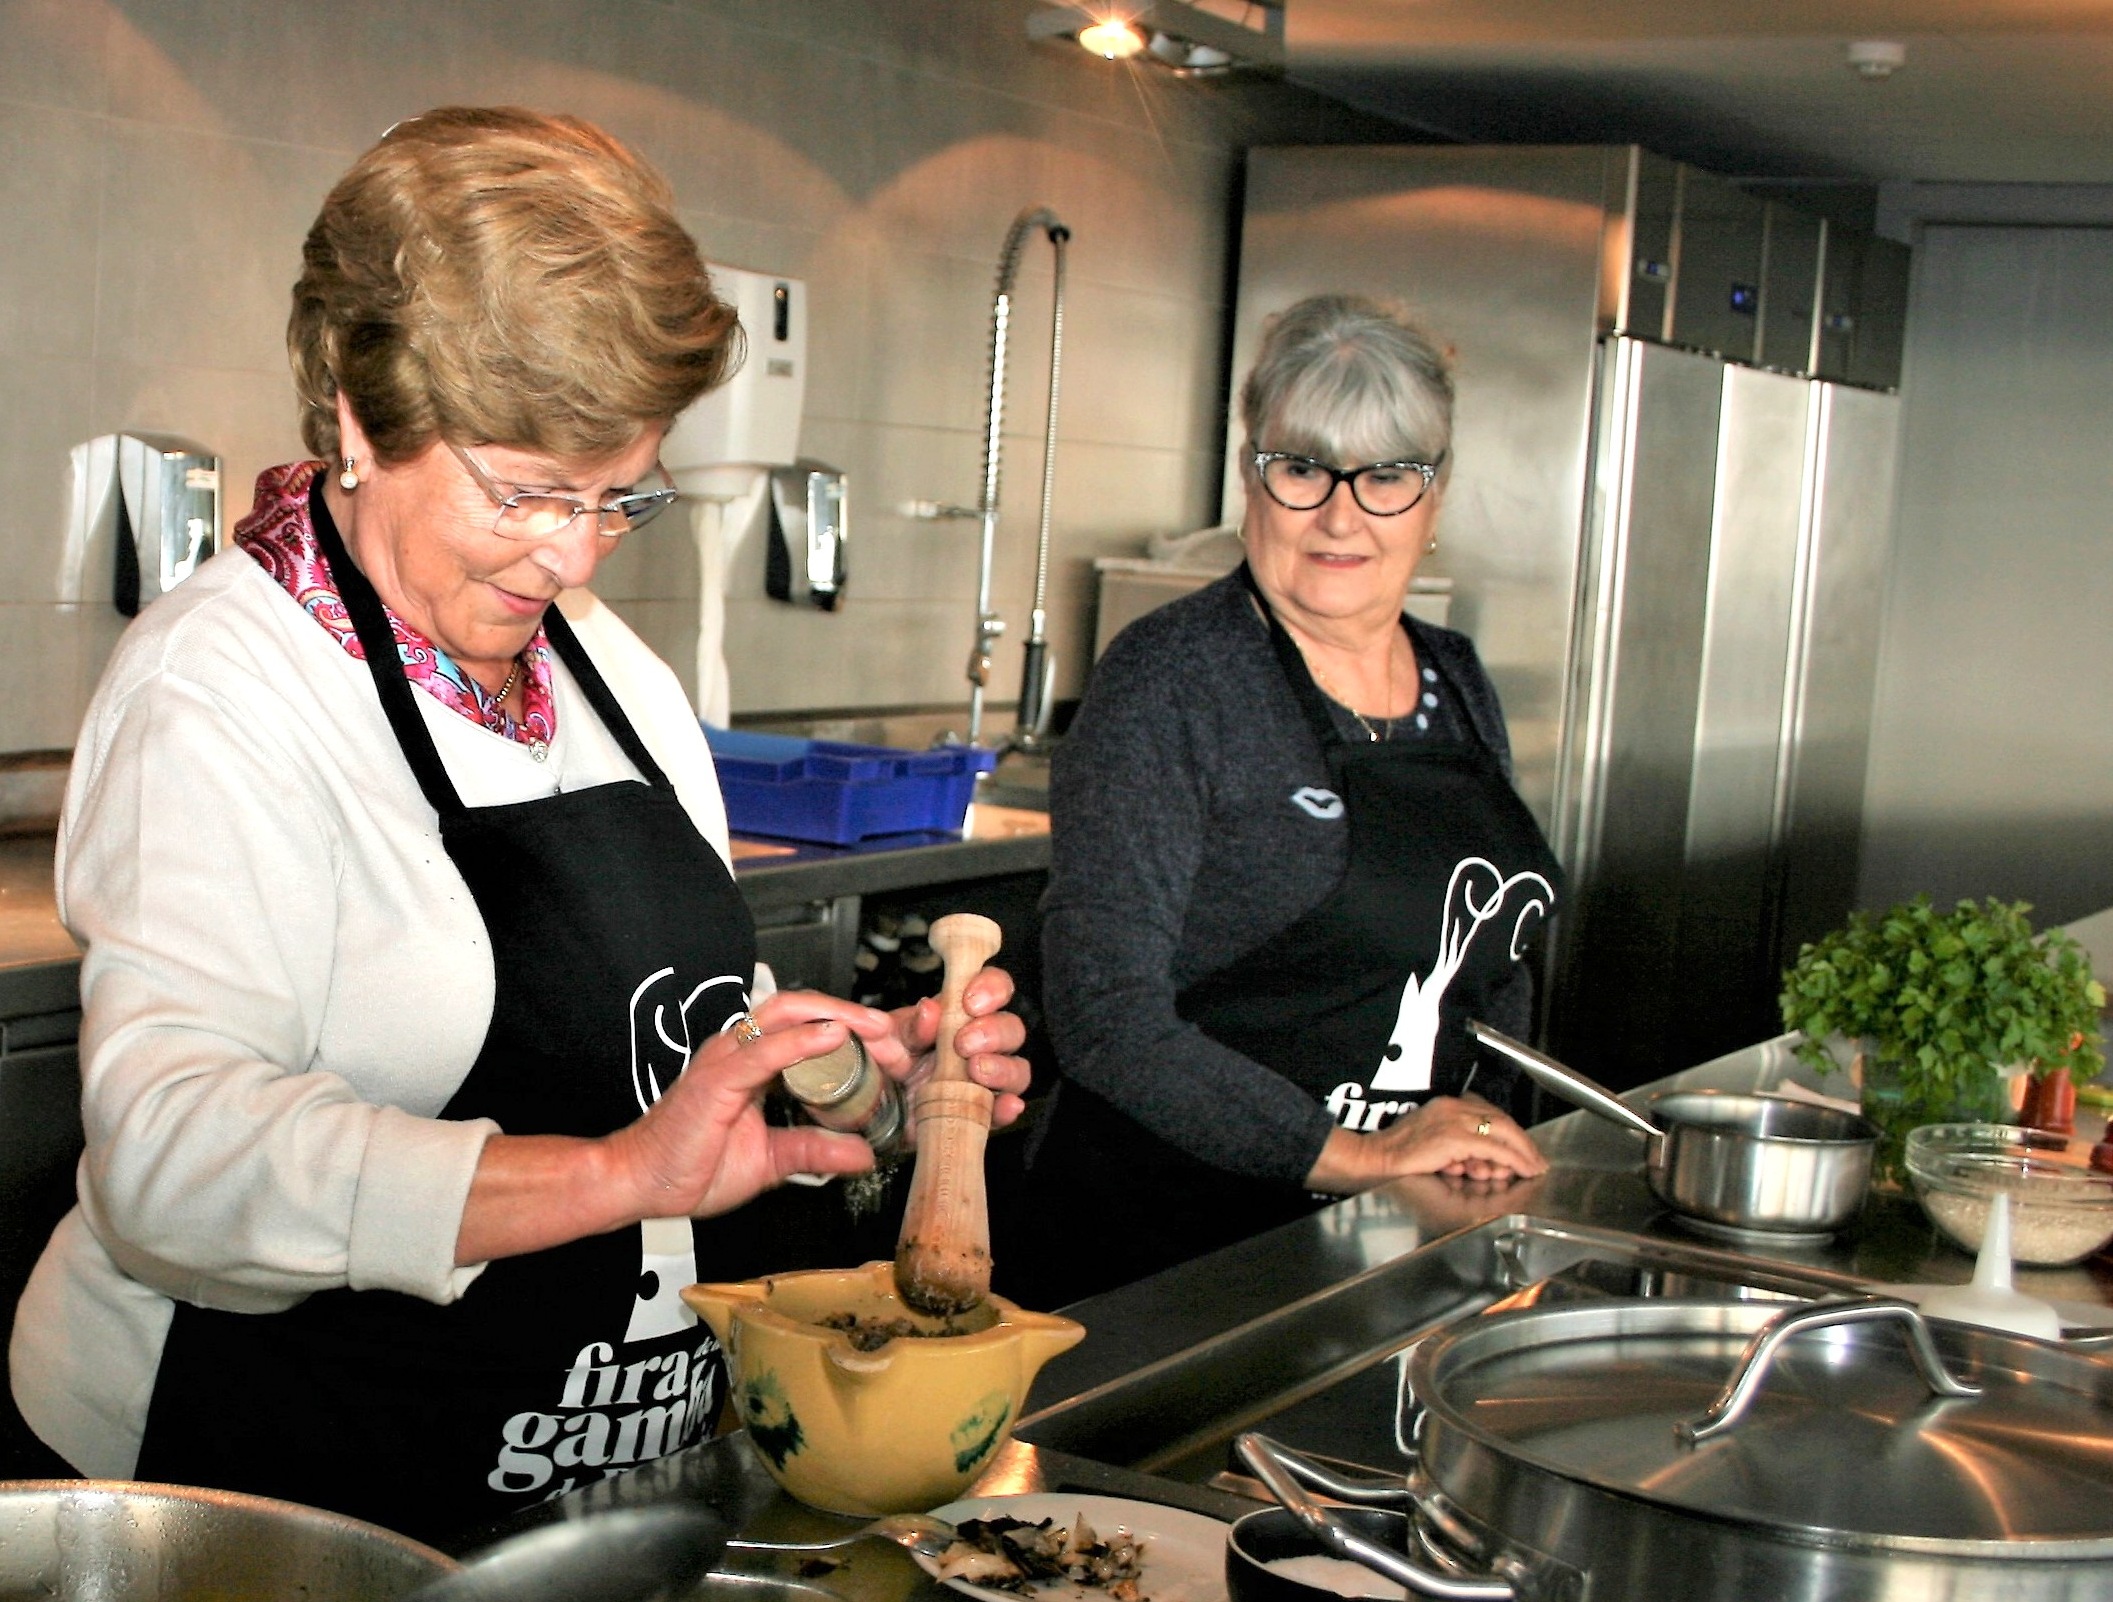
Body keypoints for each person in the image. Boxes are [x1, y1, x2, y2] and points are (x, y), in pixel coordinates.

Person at [9, 107, 1028, 1542]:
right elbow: (174, 1164)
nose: (572, 550)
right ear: (360, 418)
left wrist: (851, 1082)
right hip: (279, 1501)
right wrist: (613, 1176)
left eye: (621, 496)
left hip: (583, 1497)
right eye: (527, 488)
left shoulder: (607, 668)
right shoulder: (222, 688)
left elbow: (671, 1039)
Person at [1017, 295, 1556, 1306]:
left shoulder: (1457, 680)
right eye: (1303, 469)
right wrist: (1356, 1153)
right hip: (1161, 1257)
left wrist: (1476, 1127)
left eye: (1387, 475)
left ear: (1434, 500)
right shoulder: (1176, 680)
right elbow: (1103, 1013)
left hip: (1381, 1244)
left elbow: (1494, 966)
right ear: (1249, 474)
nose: (1340, 517)